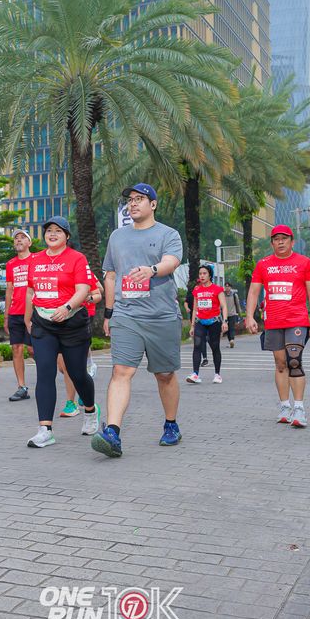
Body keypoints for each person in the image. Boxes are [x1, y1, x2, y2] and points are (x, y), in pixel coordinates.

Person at [91, 183, 183, 458]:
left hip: (161, 315)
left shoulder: (168, 234)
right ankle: (112, 433)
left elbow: (172, 262)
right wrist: (109, 313)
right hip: (126, 314)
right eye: (130, 200)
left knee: (165, 375)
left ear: (153, 204)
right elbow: (110, 276)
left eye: (139, 199)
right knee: (121, 371)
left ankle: (171, 424)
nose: (132, 203)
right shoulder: (117, 237)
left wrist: (152, 270)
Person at [24, 216, 100, 447]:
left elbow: (84, 290)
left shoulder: (77, 258)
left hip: (72, 323)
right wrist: (28, 318)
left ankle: (90, 410)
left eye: (58, 230)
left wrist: (67, 308)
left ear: (67, 236)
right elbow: (30, 291)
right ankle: (45, 429)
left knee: (77, 374)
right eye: (49, 230)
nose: (52, 234)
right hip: (43, 324)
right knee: (45, 373)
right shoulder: (35, 260)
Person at [245, 225, 310, 428]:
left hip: (297, 320)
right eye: (276, 239)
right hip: (273, 321)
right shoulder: (263, 264)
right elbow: (253, 292)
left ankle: (299, 409)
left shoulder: (304, 262)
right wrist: (249, 316)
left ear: (292, 242)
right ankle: (285, 407)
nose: (280, 242)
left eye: (284, 238)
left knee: (294, 360)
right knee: (280, 364)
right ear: (272, 243)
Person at [59, 273, 103, 417]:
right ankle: (84, 384)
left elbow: (99, 290)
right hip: (57, 318)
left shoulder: (83, 271)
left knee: (70, 365)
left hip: (81, 316)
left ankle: (71, 403)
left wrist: (85, 296)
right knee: (63, 367)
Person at [4, 229, 34, 401]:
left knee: (32, 349)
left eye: (23, 237)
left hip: (33, 311)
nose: (19, 240)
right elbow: (9, 289)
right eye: (16, 238)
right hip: (15, 312)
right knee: (16, 348)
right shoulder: (10, 264)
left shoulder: (37, 259)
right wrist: (6, 316)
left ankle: (47, 376)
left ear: (29, 243)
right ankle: (21, 387)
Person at [186, 265, 228, 384]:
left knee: (215, 347)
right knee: (197, 346)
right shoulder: (197, 290)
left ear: (210, 275)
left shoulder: (217, 289)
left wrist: (225, 321)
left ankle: (217, 374)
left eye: (204, 273)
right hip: (200, 322)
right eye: (200, 274)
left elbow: (224, 306)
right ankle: (195, 374)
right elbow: (194, 309)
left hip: (214, 322)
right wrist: (192, 326)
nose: (202, 276)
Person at [184, 281, 208, 365]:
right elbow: (186, 302)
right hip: (195, 320)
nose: (197, 288)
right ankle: (202, 359)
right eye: (196, 287)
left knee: (204, 339)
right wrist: (187, 308)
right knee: (198, 340)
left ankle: (204, 358)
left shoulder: (205, 296)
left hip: (205, 320)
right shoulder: (191, 296)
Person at [224, 281, 242, 348]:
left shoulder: (234, 295)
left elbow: (237, 305)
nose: (227, 288)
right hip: (225, 315)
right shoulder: (222, 295)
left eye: (228, 286)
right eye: (226, 286)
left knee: (231, 328)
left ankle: (232, 340)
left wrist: (239, 314)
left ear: (230, 287)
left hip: (232, 314)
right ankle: (230, 341)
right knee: (227, 329)